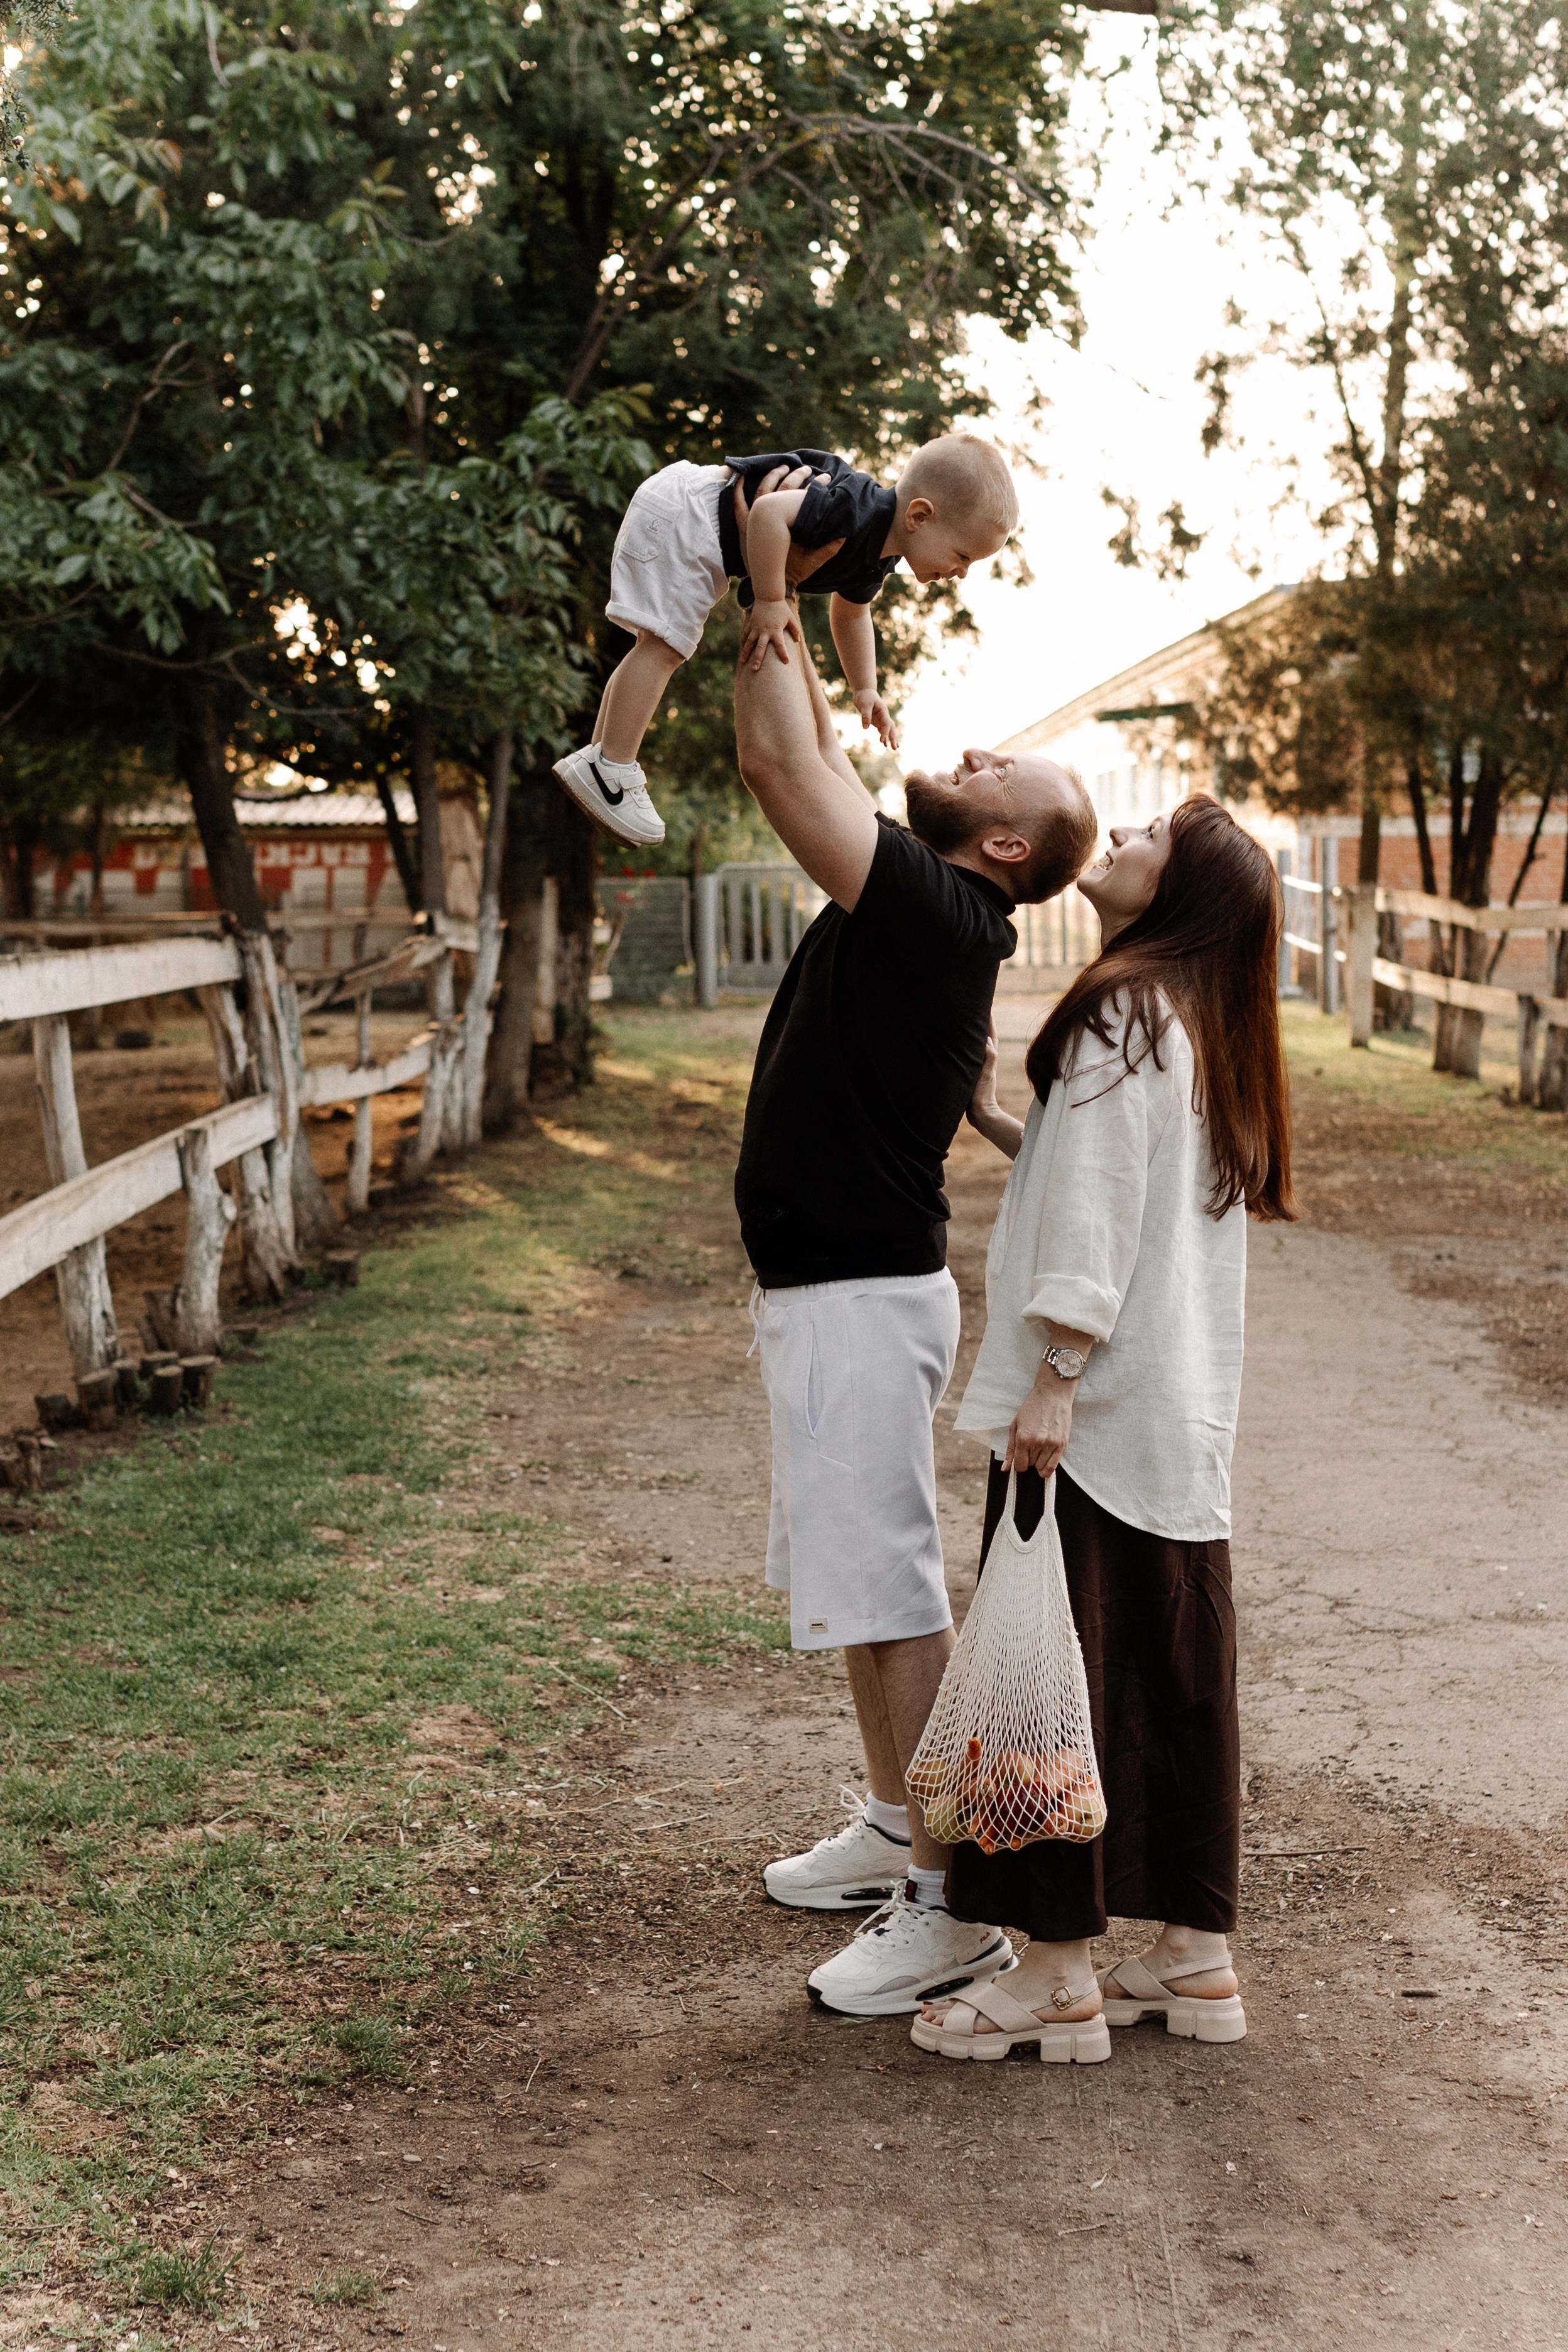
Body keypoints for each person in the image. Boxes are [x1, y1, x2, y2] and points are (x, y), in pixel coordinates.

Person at [731, 543, 1099, 2020]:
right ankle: (898, 1824)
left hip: (856, 1299)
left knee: (889, 1596)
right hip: (831, 1292)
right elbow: (811, 746)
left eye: (1005, 768)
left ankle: (949, 1907)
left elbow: (776, 766)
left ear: (1004, 844)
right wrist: (799, 580)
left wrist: (763, 595)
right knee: (858, 1587)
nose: (977, 749)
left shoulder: (937, 911)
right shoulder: (925, 904)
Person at [912, 793, 1296, 2063]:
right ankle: (1193, 1955)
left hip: (1092, 1415)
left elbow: (1099, 1208)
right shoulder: (1198, 1022)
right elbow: (1114, 1175)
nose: (1120, 837)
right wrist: (1002, 1125)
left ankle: (1056, 1972)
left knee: (1052, 1686)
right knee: (1168, 1677)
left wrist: (1056, 1374)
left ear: (1176, 893)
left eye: (1150, 839)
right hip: (1173, 1421)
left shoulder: (1123, 1010)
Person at [553, 436, 1019, 848]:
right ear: (919, 515)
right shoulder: (855, 509)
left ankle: (602, 757)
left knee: (656, 645)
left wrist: (865, 688)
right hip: (692, 511)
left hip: (695, 521)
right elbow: (769, 512)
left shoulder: (877, 556)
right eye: (963, 556)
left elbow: (852, 612)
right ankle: (611, 768)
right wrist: (772, 600)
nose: (961, 573)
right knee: (664, 647)